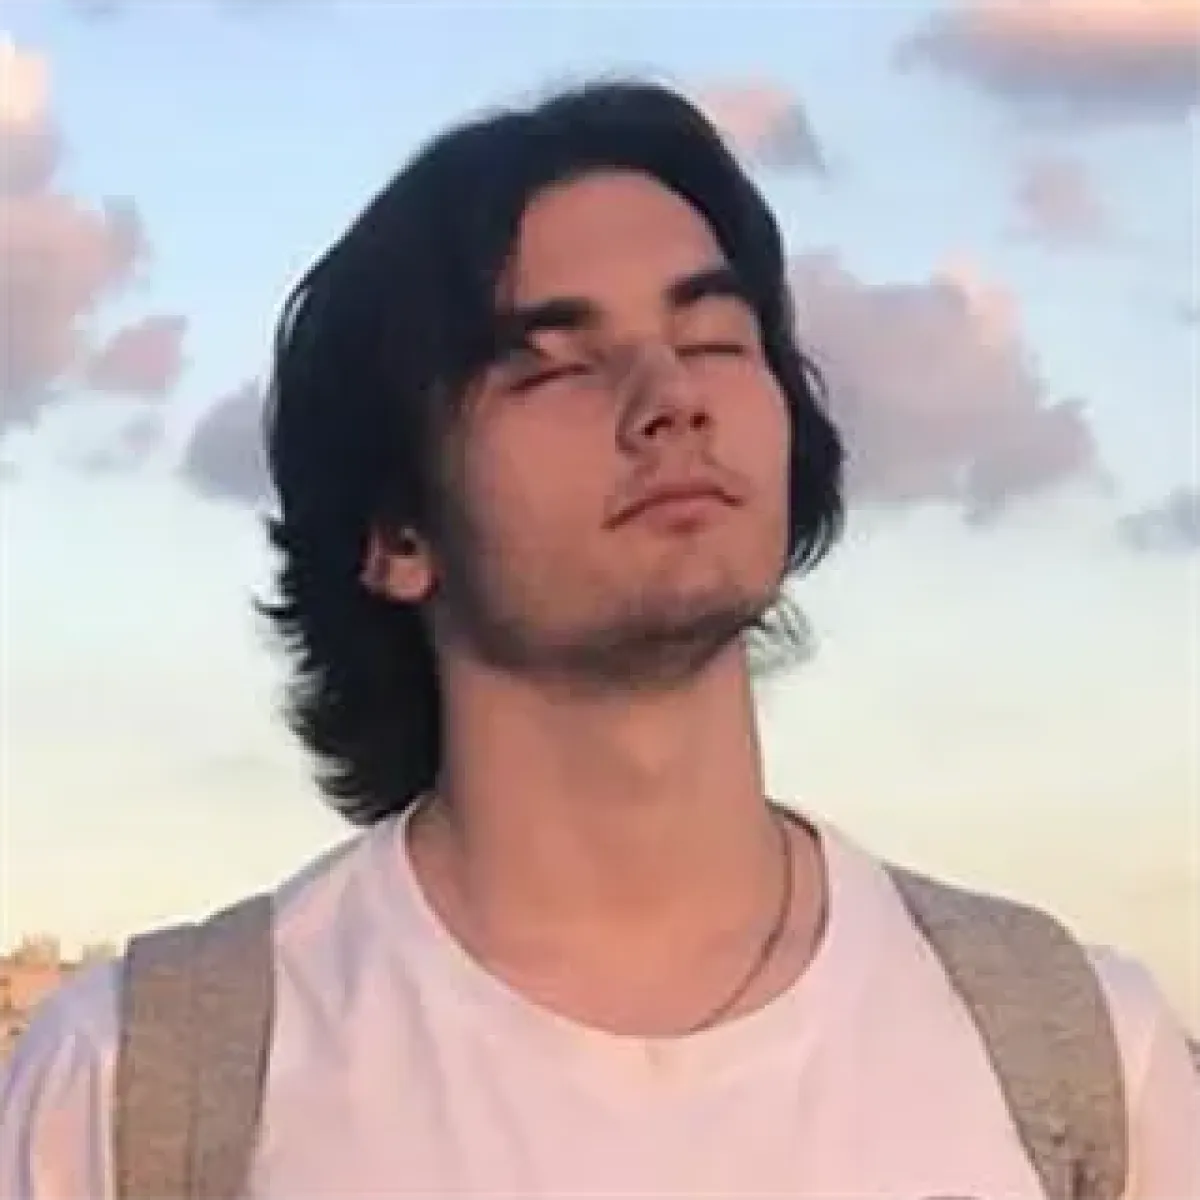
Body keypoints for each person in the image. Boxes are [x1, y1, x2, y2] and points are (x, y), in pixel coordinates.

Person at [1, 80, 1196, 1200]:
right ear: (397, 531)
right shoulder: (138, 1093)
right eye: (556, 366)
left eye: (716, 338)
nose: (670, 398)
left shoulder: (1079, 1065)